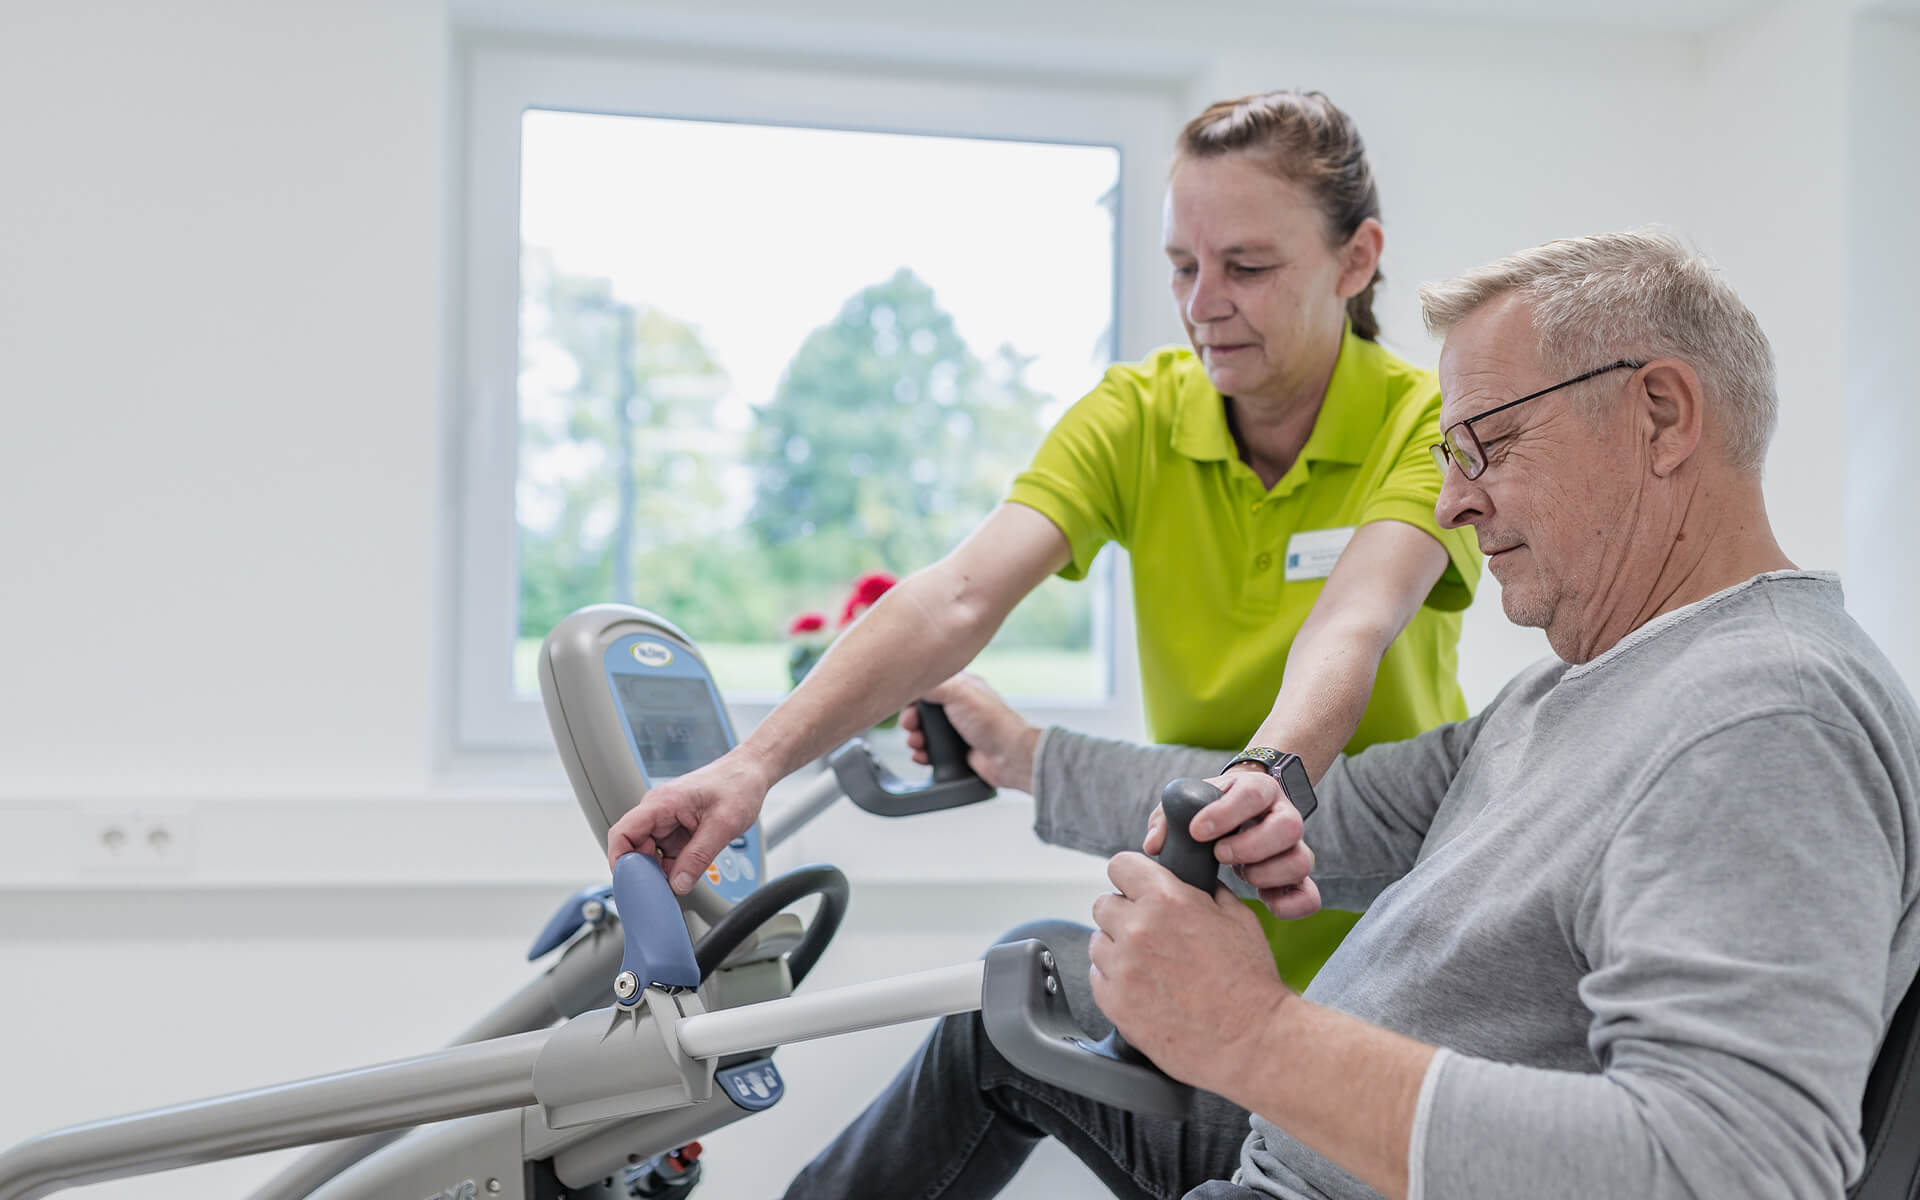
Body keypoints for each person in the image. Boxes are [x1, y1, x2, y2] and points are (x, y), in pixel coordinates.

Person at [859, 230, 1918, 1200]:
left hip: (1314, 1160)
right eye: (1448, 457)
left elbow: (1734, 1167)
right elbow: (1306, 810)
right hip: (1304, 1138)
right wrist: (1027, 757)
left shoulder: (1763, 719)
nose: (1454, 502)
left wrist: (1252, 1031)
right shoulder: (1579, 690)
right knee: (1018, 993)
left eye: (1488, 446)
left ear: (1663, 414)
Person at [609, 89, 1480, 991]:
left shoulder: (1427, 423)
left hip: (1388, 949)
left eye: (1248, 267)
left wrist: (1263, 777)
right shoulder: (1138, 416)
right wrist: (752, 768)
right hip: (1206, 928)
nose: (1203, 304)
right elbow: (958, 596)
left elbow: (1354, 621)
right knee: (1005, 1000)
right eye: (1183, 266)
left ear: (1356, 260)